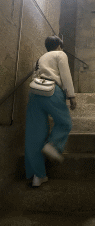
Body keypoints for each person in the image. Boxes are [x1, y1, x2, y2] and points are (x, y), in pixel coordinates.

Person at [25, 35, 76, 187]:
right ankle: (53, 145)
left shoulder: (40, 58)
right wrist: (71, 96)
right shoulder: (60, 54)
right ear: (59, 45)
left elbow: (36, 75)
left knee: (35, 134)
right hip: (52, 91)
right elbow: (65, 75)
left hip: (34, 93)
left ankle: (38, 176)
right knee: (64, 123)